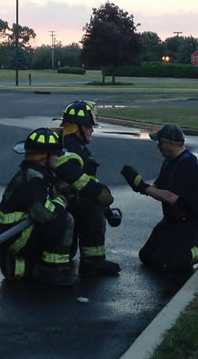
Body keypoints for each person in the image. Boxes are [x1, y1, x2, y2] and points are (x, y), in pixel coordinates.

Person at [0, 127, 76, 286]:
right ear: (44, 157)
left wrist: (59, 188)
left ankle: (3, 256)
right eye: (54, 155)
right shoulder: (34, 179)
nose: (57, 158)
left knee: (58, 220)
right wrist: (62, 199)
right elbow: (44, 213)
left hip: (13, 235)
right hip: (18, 237)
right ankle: (53, 271)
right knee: (65, 220)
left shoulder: (33, 173)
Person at [121, 123, 198, 273]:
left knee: (169, 263)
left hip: (190, 223)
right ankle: (177, 247)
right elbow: (159, 188)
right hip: (172, 221)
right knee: (146, 256)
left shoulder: (187, 163)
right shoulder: (169, 161)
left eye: (160, 142)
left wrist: (145, 188)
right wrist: (140, 185)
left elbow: (172, 197)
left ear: (171, 143)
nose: (158, 146)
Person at [54, 100, 121, 275]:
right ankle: (93, 261)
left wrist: (107, 209)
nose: (92, 129)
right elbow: (75, 178)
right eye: (88, 126)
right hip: (60, 207)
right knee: (92, 207)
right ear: (77, 127)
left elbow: (85, 181)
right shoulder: (69, 147)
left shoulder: (71, 144)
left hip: (62, 207)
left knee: (94, 202)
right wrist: (100, 193)